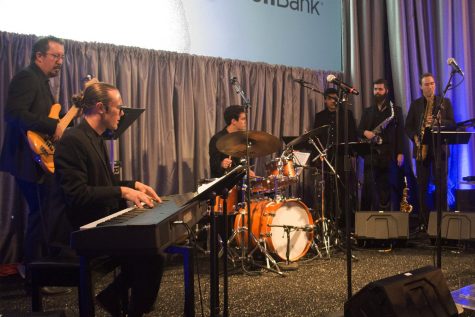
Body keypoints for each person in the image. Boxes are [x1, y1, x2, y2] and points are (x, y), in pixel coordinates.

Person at [53, 82, 164, 316]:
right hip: (80, 232)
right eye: (119, 107)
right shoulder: (73, 140)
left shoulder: (95, 139)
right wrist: (123, 192)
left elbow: (103, 186)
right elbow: (78, 195)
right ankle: (118, 301)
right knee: (150, 255)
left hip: (99, 224)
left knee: (153, 251)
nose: (122, 113)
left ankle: (114, 298)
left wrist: (132, 185)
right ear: (101, 108)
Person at [0, 36, 66, 270]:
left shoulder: (41, 81)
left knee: (43, 213)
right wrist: (50, 126)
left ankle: (39, 270)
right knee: (40, 214)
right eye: (55, 56)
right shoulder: (27, 77)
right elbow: (13, 114)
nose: (59, 61)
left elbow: (46, 116)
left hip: (36, 158)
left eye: (61, 57)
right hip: (26, 159)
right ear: (39, 56)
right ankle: (34, 274)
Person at [405, 73, 455, 230]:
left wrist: (438, 122)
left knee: (442, 186)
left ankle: (442, 222)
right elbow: (408, 126)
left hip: (439, 149)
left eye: (432, 83)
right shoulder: (415, 104)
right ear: (421, 87)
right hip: (422, 149)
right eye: (426, 84)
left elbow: (453, 123)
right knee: (422, 187)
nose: (430, 86)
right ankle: (425, 222)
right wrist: (415, 137)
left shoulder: (444, 102)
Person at [313, 87, 357, 227]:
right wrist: (319, 154)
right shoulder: (319, 116)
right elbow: (315, 137)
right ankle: (329, 221)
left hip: (342, 156)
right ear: (325, 100)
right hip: (326, 157)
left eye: (335, 98)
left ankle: (346, 223)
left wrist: (351, 153)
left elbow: (352, 135)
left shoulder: (347, 114)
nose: (333, 101)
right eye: (330, 98)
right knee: (328, 190)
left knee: (345, 189)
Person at [358, 79, 405, 211]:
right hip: (371, 154)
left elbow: (400, 132)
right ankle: (368, 221)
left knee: (386, 188)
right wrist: (365, 132)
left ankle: (386, 220)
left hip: (388, 154)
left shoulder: (395, 111)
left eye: (380, 89)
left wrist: (400, 152)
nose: (377, 92)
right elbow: (359, 130)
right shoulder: (368, 111)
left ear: (386, 91)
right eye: (375, 89)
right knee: (369, 188)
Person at [209, 105, 248, 178]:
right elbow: (213, 166)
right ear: (233, 121)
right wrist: (221, 164)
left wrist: (247, 171)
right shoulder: (217, 139)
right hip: (224, 183)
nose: (245, 122)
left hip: (239, 180)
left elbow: (241, 163)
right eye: (243, 119)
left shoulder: (241, 138)